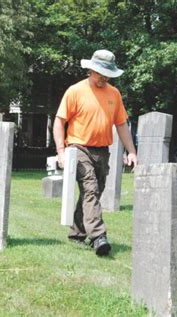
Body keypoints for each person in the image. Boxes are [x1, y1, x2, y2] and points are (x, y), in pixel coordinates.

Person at [53, 49, 137, 256]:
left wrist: (132, 151)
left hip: (102, 151)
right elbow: (59, 121)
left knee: (93, 192)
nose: (103, 77)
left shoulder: (114, 94)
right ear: (90, 69)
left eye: (107, 73)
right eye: (100, 72)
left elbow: (121, 125)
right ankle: (99, 236)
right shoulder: (75, 91)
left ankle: (77, 234)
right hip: (78, 148)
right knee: (90, 189)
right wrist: (61, 151)